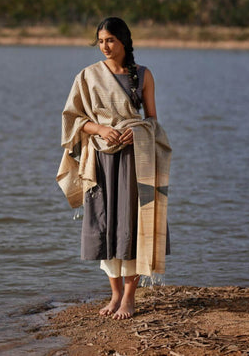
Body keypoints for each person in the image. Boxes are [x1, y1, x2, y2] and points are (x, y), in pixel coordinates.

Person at [57, 17, 172, 320]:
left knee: (133, 223)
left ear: (123, 41)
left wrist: (140, 131)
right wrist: (99, 130)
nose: (105, 47)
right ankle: (115, 294)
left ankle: (130, 298)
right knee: (104, 223)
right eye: (100, 41)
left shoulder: (143, 75)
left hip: (137, 158)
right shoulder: (88, 76)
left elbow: (153, 120)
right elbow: (73, 117)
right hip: (102, 159)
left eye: (110, 40)